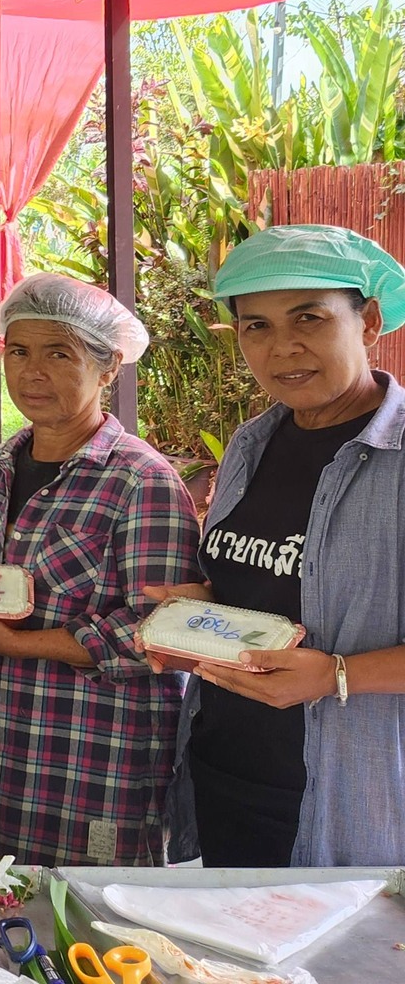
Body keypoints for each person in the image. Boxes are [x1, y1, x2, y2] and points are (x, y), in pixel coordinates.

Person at [0, 274, 200, 867]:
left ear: (109, 368)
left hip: (90, 769)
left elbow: (159, 634)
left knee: (89, 935)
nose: (31, 372)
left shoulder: (140, 480)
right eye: (18, 352)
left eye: (58, 353)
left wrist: (7, 644)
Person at [160, 225, 405, 867]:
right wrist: (197, 611)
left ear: (370, 320)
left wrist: (337, 675)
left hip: (349, 800)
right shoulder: (253, 442)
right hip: (227, 773)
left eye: (309, 318)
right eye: (256, 326)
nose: (283, 346)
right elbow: (258, 586)